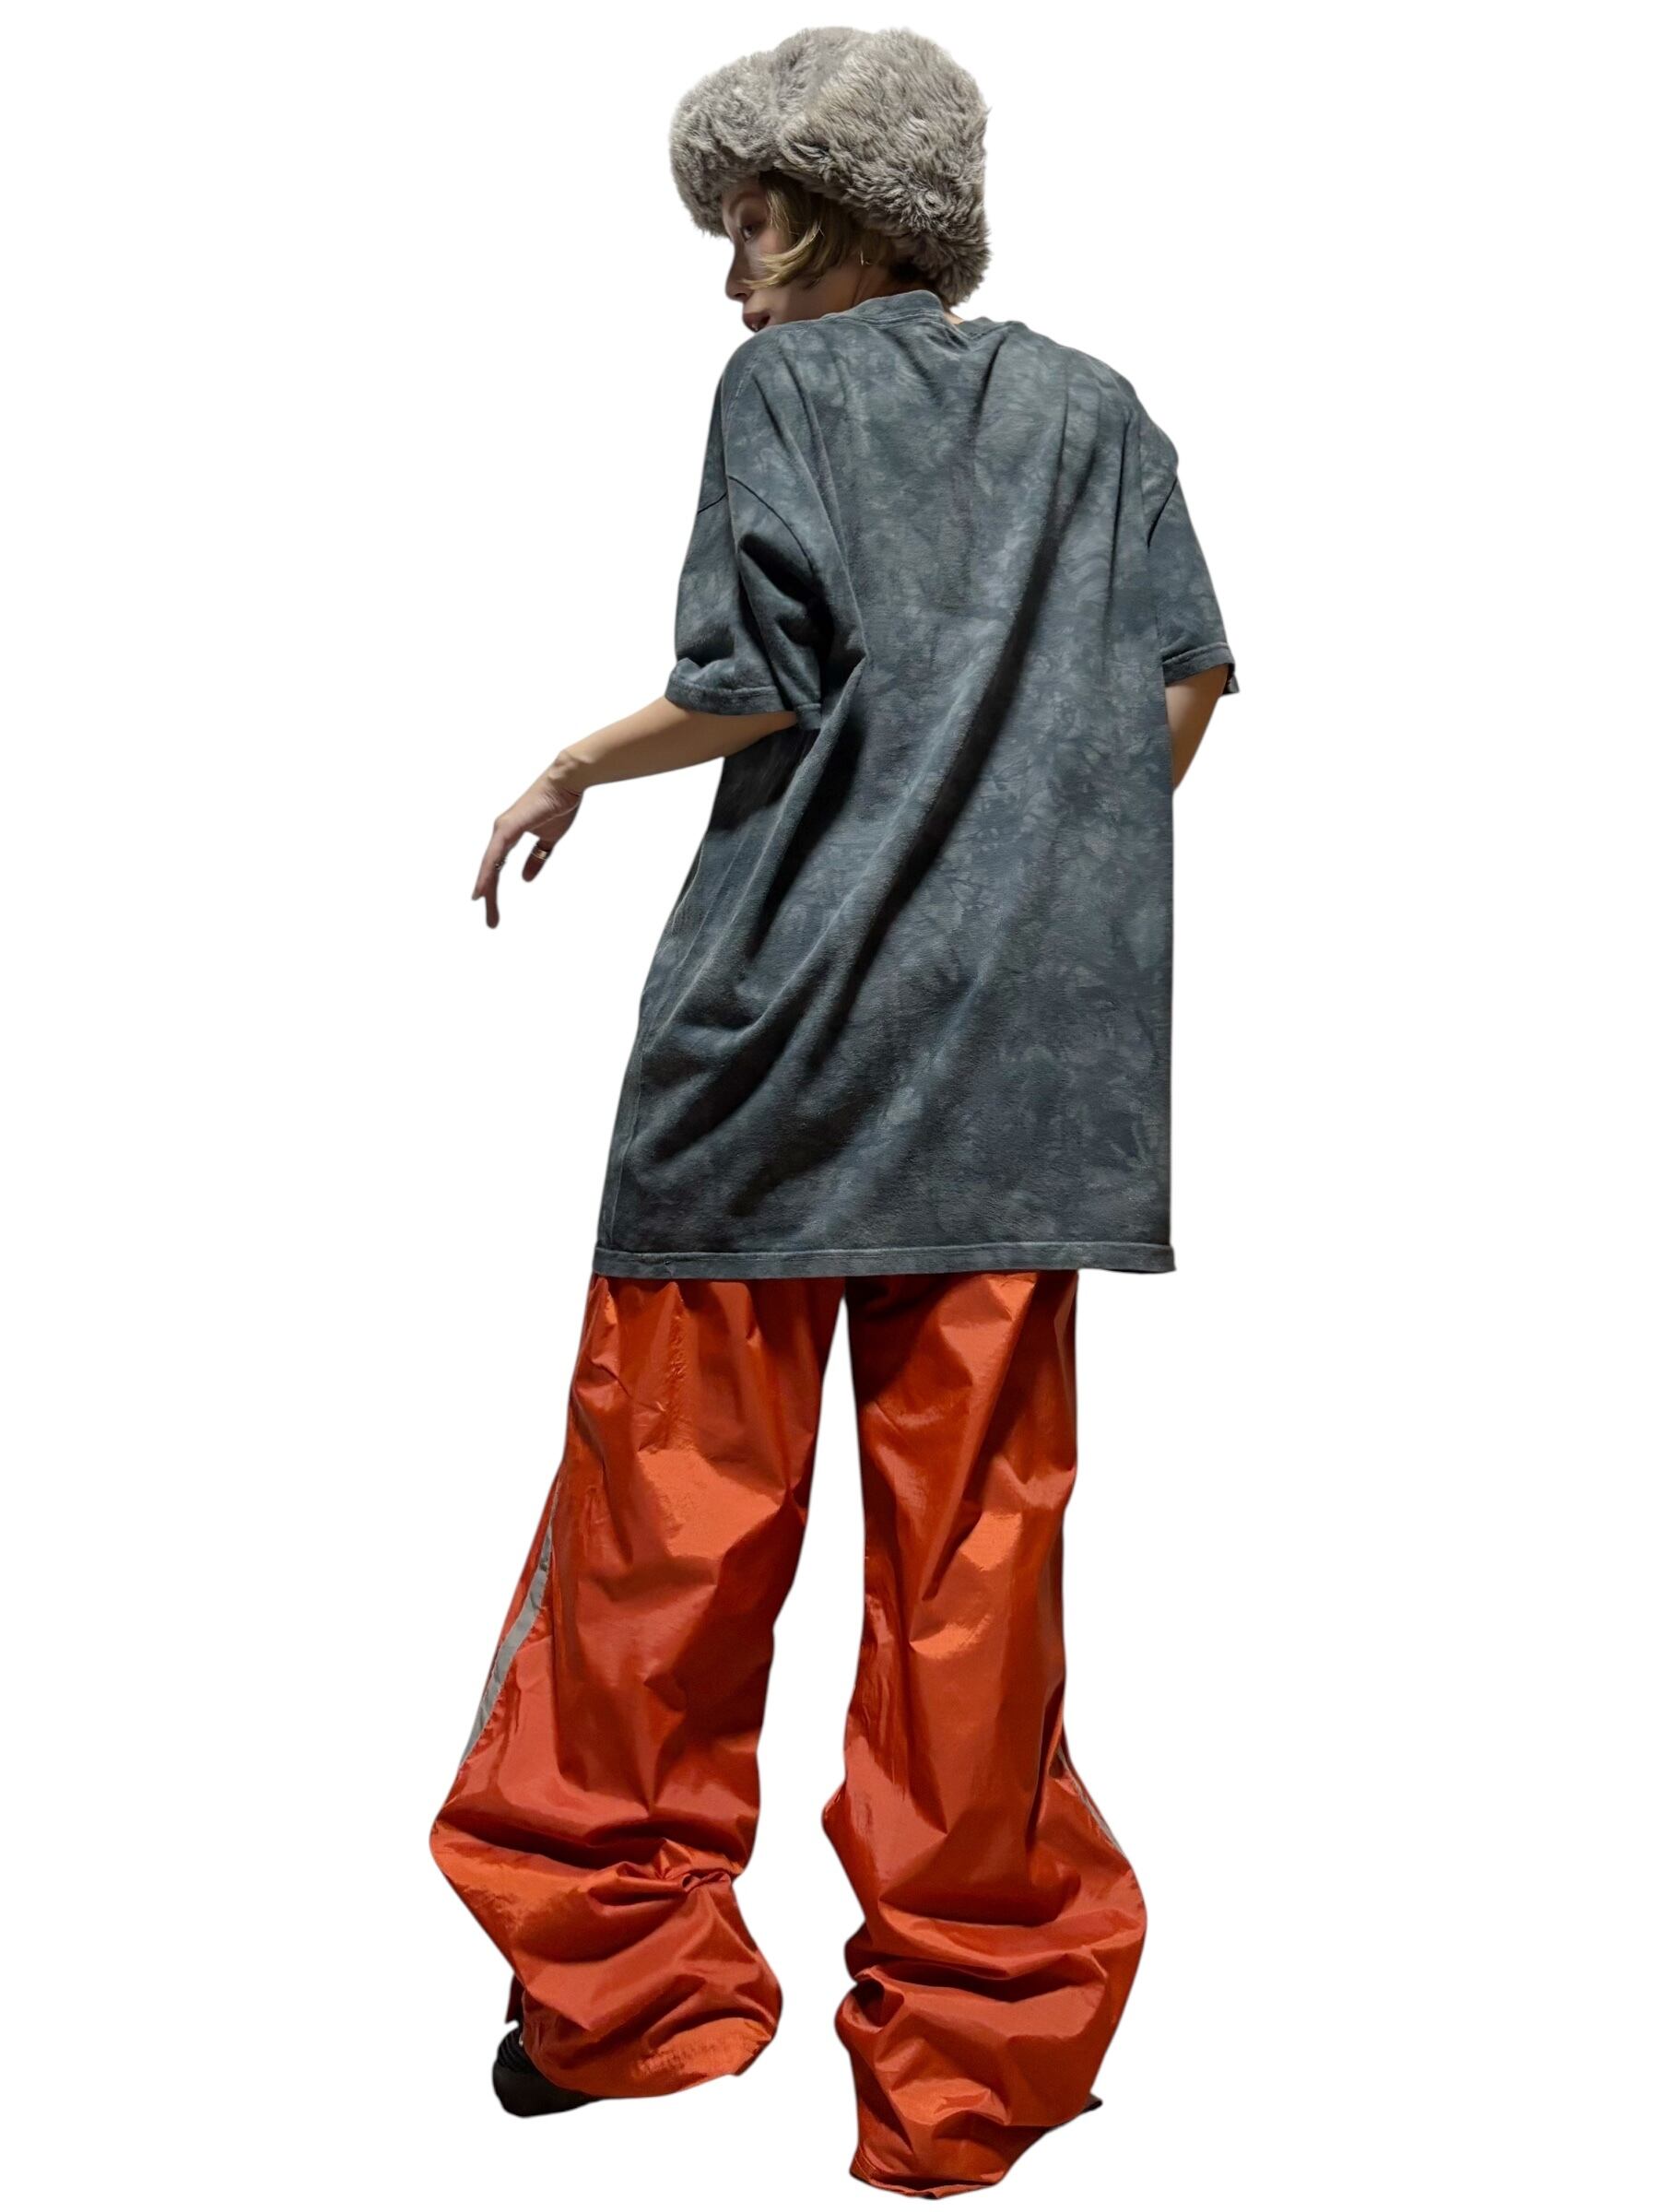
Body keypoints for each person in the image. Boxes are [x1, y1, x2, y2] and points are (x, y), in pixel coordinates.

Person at [430, 25, 1239, 2197]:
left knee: (661, 1550)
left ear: (858, 213)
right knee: (979, 1581)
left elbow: (753, 678)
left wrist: (567, 764)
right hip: (1020, 1093)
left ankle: (624, 2002)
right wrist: (1011, 880)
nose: (735, 283)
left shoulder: (783, 399)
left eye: (758, 228)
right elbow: (1186, 684)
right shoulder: (1102, 415)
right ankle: (974, 2060)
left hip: (765, 1073)